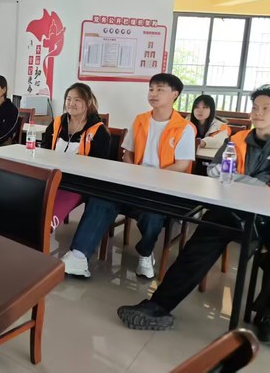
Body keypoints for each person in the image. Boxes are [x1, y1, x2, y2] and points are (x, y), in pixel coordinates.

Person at [117, 86, 270, 348]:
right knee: (199, 244)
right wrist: (250, 183)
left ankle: (269, 316)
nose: (258, 113)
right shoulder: (237, 139)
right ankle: (158, 306)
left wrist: (245, 182)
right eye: (255, 108)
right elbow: (216, 170)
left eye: (266, 108)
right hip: (232, 210)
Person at [63, 73, 196, 279]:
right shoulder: (140, 120)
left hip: (165, 190)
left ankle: (145, 253)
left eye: (160, 90)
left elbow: (182, 165)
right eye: (151, 89)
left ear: (174, 94)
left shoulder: (185, 128)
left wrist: (152, 179)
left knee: (153, 215)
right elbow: (128, 154)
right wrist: (134, 173)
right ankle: (78, 256)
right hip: (135, 184)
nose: (153, 94)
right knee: (102, 197)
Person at [42, 83, 111, 229]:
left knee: (46, 219)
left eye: (77, 100)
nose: (71, 103)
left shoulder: (99, 130)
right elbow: (44, 150)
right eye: (68, 99)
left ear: (88, 102)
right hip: (52, 177)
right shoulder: (57, 123)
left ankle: (45, 229)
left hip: (79, 183)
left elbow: (99, 165)